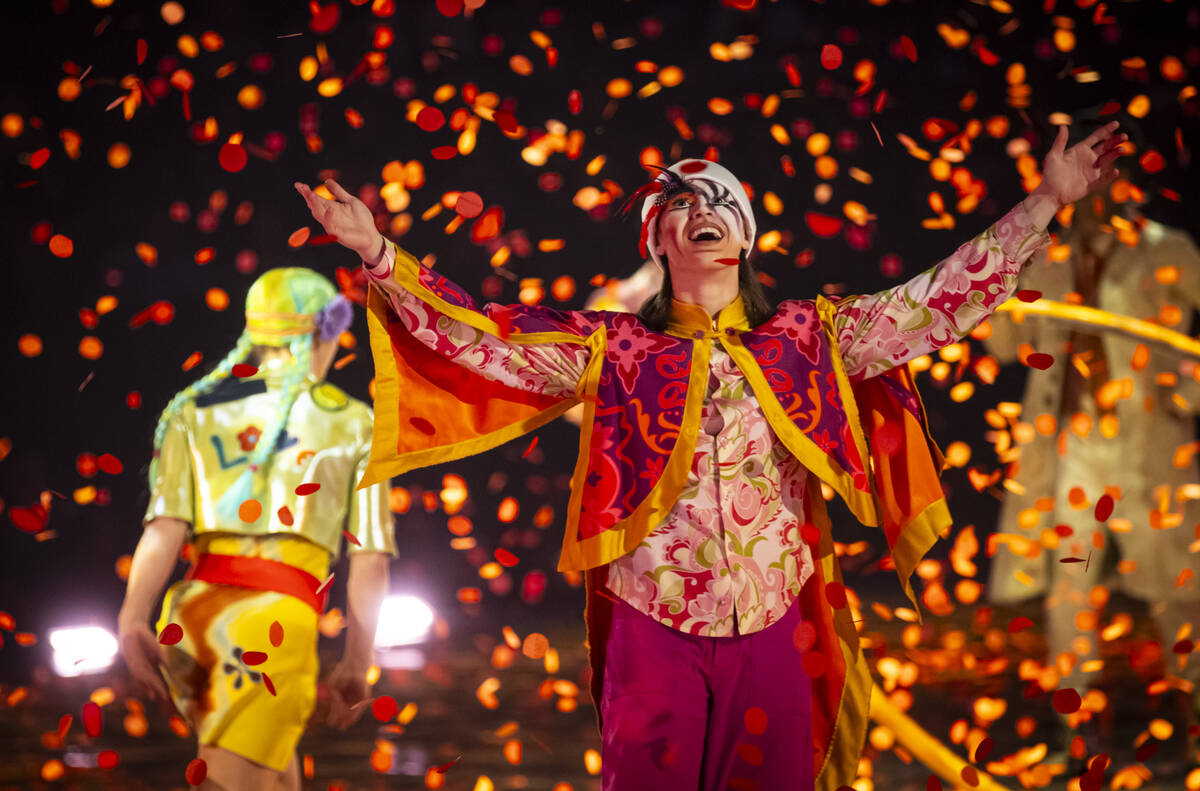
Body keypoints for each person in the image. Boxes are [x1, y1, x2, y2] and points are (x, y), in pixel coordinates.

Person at [296, 120, 1123, 791]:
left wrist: (1045, 202)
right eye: (681, 202)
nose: (701, 208)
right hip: (654, 628)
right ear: (659, 242)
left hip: (773, 625)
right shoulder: (611, 345)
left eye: (717, 199)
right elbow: (483, 338)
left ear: (744, 232)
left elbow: (937, 302)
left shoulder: (813, 336)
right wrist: (378, 255)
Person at [116, 268, 396, 791]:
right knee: (236, 781)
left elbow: (164, 529)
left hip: (193, 620)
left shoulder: (192, 411)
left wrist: (133, 619)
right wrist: (359, 659)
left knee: (270, 778)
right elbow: (370, 557)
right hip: (273, 626)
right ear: (326, 331)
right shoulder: (356, 422)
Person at [984, 185, 1200, 771]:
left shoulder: (1167, 250)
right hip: (1072, 447)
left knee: (1176, 588)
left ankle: (1194, 721)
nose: (1099, 194)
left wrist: (1185, 390)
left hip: (1148, 446)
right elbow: (1006, 344)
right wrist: (1000, 274)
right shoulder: (1046, 257)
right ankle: (1077, 733)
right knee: (1070, 591)